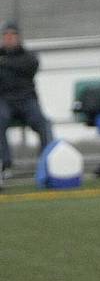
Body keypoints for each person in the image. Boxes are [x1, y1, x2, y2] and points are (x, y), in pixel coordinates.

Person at [0, 21, 52, 174]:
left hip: (26, 99)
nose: (9, 39)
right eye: (6, 36)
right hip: (4, 100)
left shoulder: (28, 55)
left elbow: (30, 66)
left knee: (44, 124)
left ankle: (46, 162)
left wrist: (5, 63)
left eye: (12, 35)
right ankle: (5, 164)